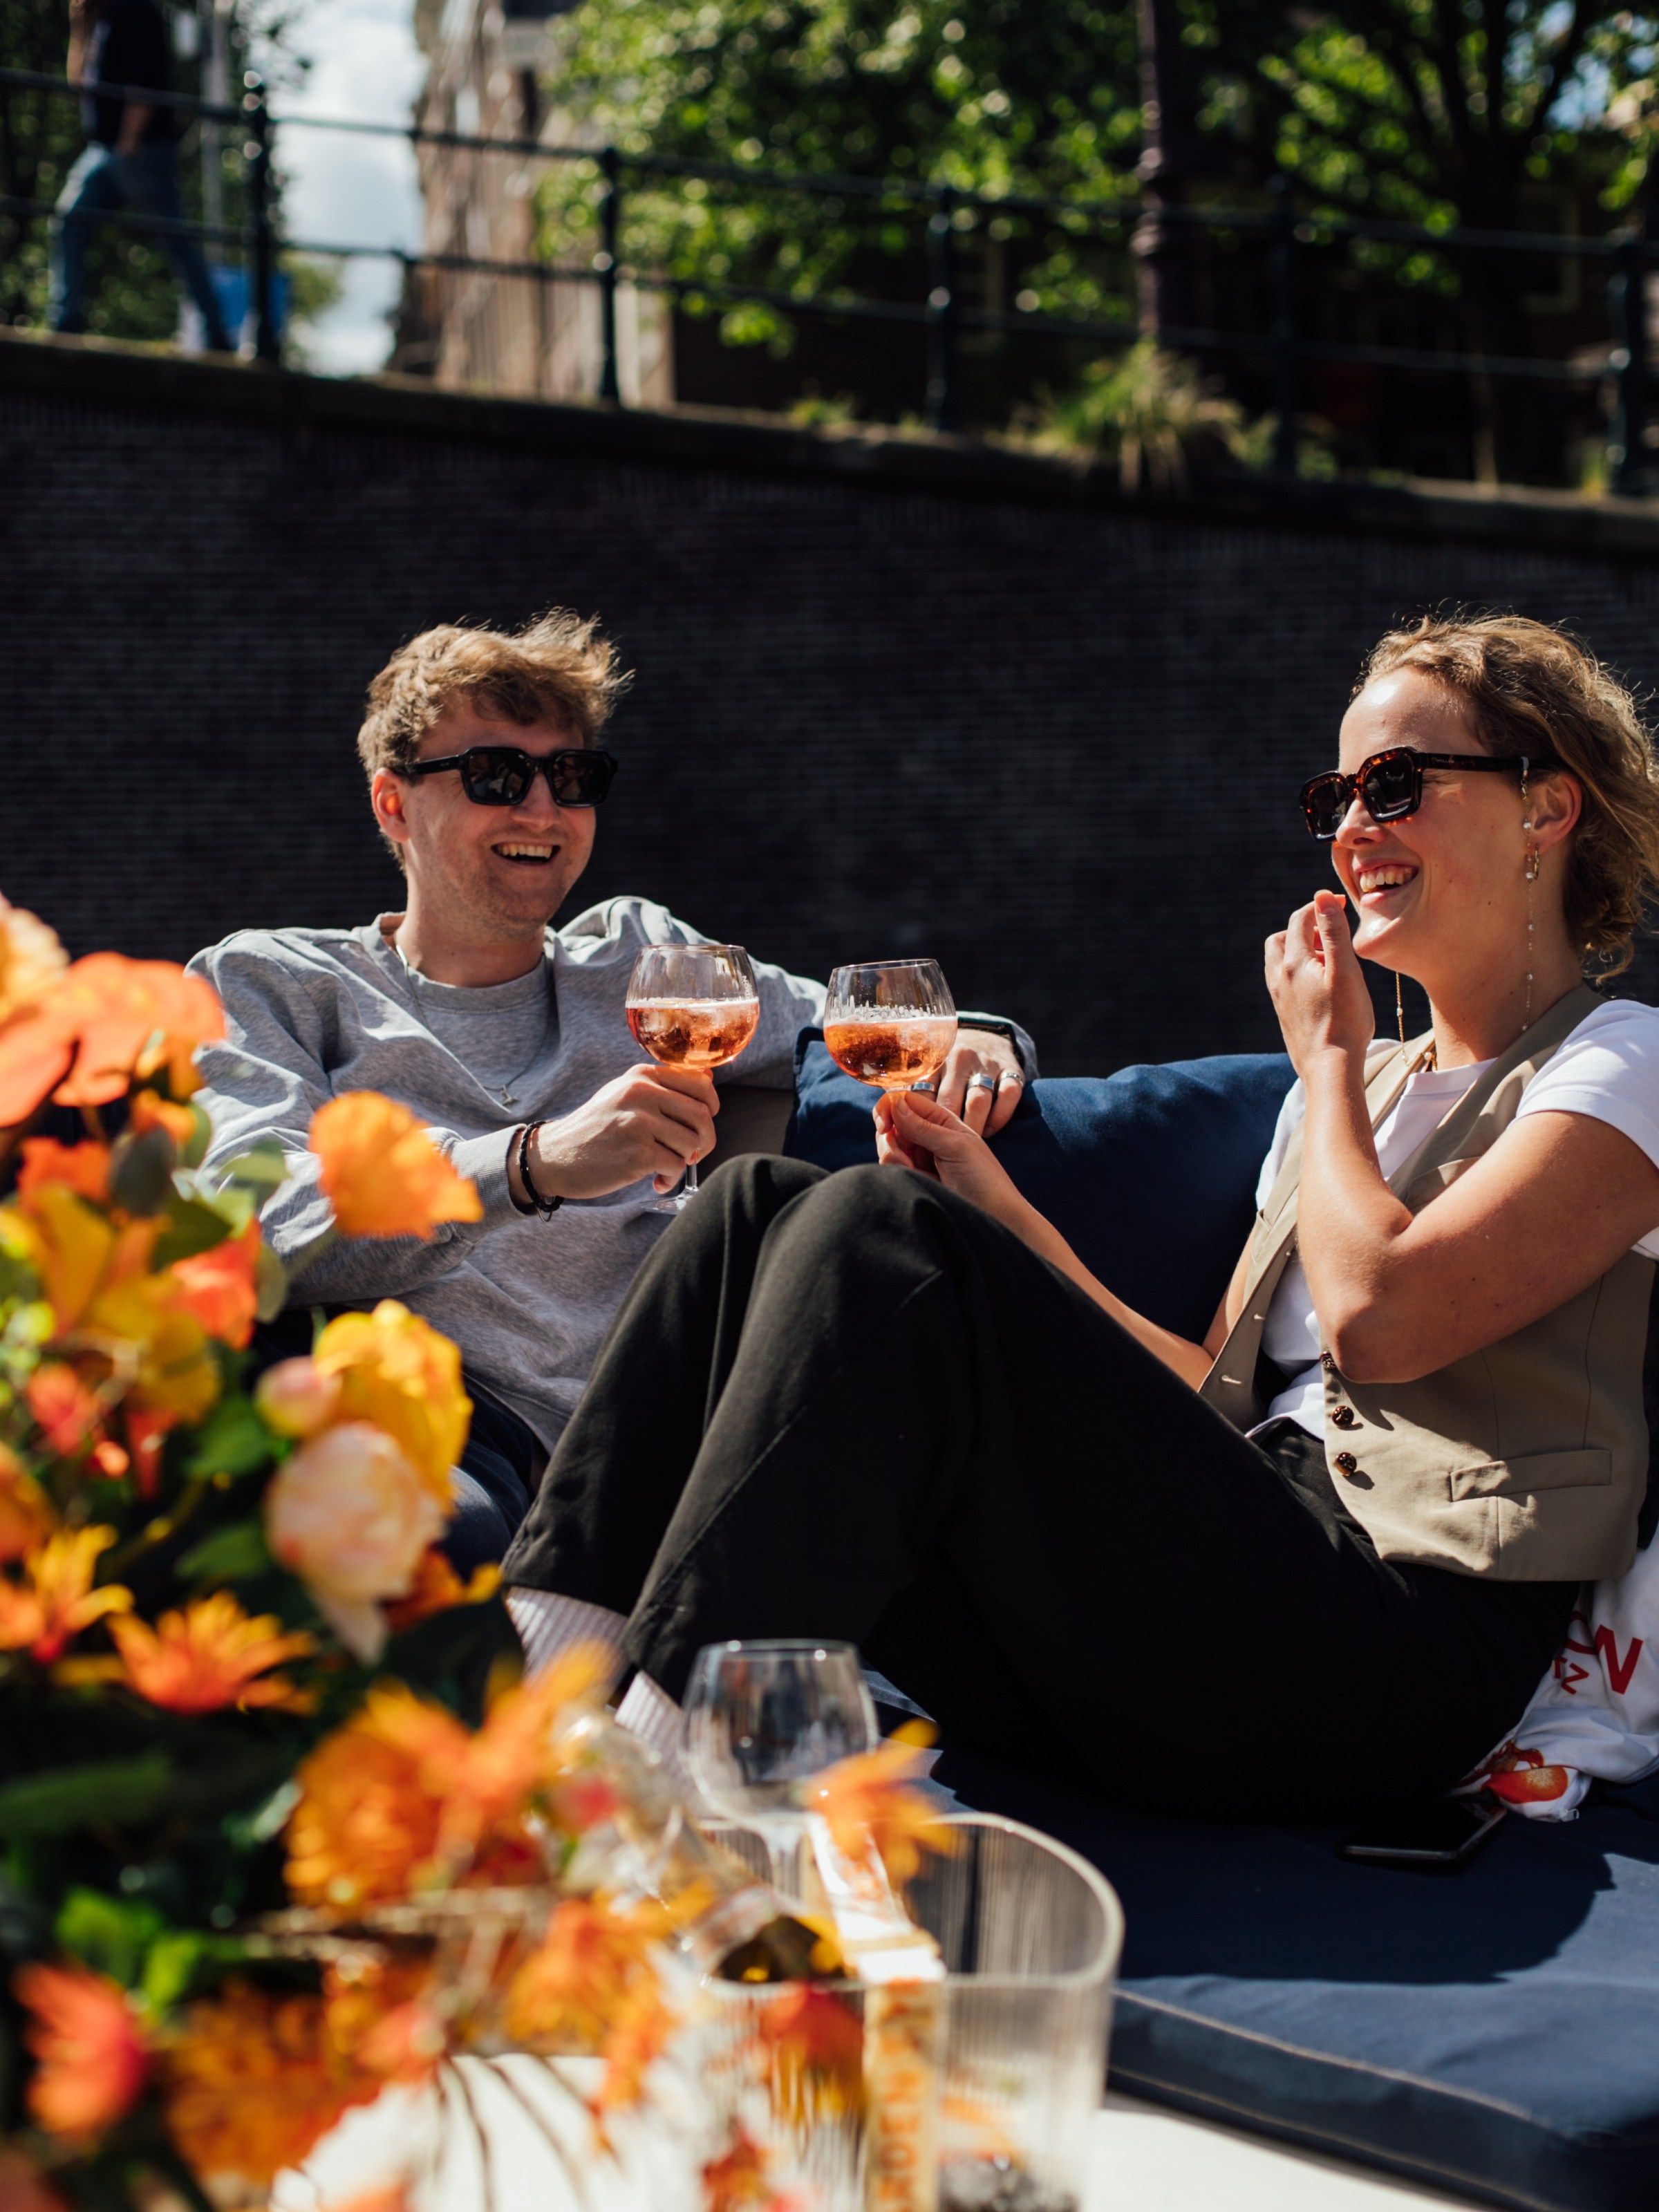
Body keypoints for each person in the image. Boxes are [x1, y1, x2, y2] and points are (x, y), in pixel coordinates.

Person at [502, 614, 1659, 1823]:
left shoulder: (1622, 1065)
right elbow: (1208, 1389)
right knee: (753, 1208)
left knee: (880, 1229)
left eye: (1396, 784)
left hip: (1393, 1662)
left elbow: (1383, 1321)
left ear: (1546, 807)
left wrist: (1325, 1064)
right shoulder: (1355, 1093)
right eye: (1337, 797)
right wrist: (1000, 1224)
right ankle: (530, 1729)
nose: (1352, 829)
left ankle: (652, 1805)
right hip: (1225, 1594)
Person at [189, 613, 1033, 1568]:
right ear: (393, 804)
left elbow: (850, 1021)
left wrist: (979, 1033)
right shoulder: (274, 982)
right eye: (495, 776)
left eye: (574, 777)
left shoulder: (644, 958)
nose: (542, 811)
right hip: (442, 1421)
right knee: (417, 1541)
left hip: (674, 1422)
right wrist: (534, 1164)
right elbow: (254, 1227)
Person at [49, 0, 236, 350]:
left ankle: (217, 334)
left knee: (176, 241)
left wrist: (130, 141)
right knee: (69, 224)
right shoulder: (102, 20)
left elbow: (145, 83)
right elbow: (80, 86)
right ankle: (65, 324)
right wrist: (79, 29)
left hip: (140, 152)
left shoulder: (138, 11)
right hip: (103, 152)